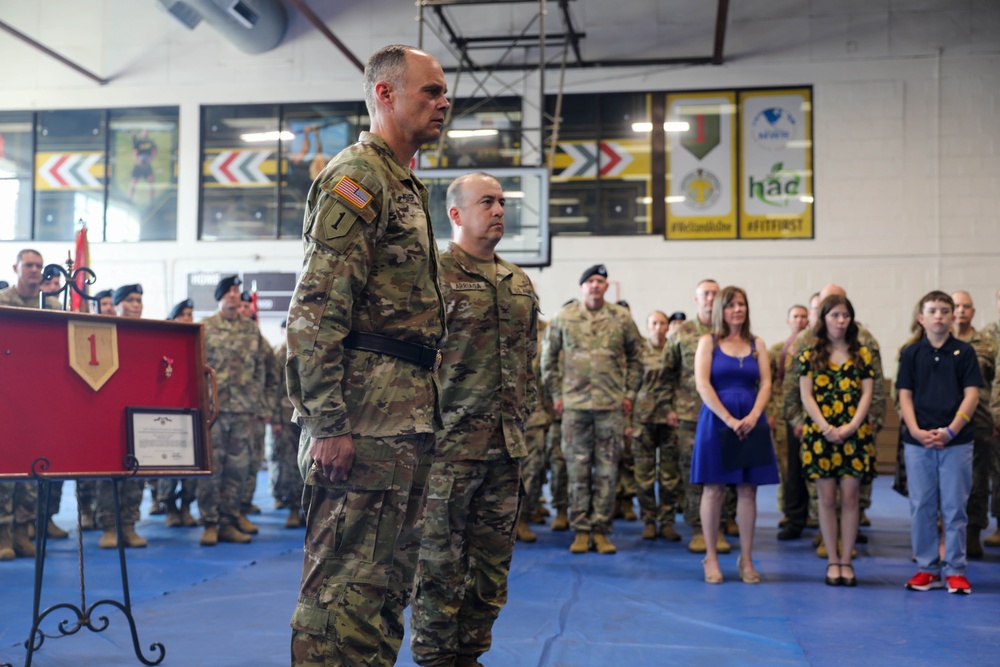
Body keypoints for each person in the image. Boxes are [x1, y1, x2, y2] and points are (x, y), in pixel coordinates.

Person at [285, 44, 449, 667]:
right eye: (430, 91)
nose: (444, 102)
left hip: (404, 421)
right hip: (362, 420)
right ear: (384, 94)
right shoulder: (356, 178)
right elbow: (314, 312)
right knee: (342, 596)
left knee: (383, 593)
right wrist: (327, 424)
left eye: (443, 92)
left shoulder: (406, 184)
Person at [409, 171, 539, 667]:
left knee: (491, 569)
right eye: (488, 201)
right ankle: (437, 658)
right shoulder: (433, 276)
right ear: (456, 214)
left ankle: (470, 654)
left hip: (505, 453)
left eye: (503, 202)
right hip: (447, 451)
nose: (500, 210)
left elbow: (528, 361)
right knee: (439, 565)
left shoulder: (518, 282)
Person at [541, 264, 643, 555]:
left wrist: (630, 394)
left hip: (610, 406)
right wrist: (556, 394)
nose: (595, 286)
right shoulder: (565, 317)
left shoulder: (621, 319)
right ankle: (581, 530)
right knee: (577, 470)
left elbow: (638, 358)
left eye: (600, 281)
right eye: (590, 281)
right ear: (582, 286)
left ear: (607, 287)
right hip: (575, 407)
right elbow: (548, 358)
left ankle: (601, 529)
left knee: (608, 471)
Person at [692, 286, 779, 584]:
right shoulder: (709, 341)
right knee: (714, 489)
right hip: (717, 420)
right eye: (731, 305)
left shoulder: (758, 344)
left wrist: (754, 416)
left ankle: (747, 558)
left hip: (751, 420)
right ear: (720, 311)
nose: (737, 310)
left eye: (741, 304)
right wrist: (729, 419)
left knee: (747, 490)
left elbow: (766, 383)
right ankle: (711, 557)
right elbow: (703, 385)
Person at [898, 291, 981, 594]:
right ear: (921, 318)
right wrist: (917, 430)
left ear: (953, 317)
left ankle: (955, 569)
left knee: (954, 507)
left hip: (956, 443)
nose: (939, 316)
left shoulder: (965, 352)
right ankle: (927, 568)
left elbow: (972, 395)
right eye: (932, 310)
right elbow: (904, 395)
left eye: (945, 311)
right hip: (918, 443)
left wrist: (951, 430)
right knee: (921, 506)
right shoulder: (910, 354)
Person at [798, 295, 876, 586]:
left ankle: (847, 560)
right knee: (827, 500)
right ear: (824, 319)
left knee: (851, 498)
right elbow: (805, 395)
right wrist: (826, 427)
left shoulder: (862, 353)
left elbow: (867, 392)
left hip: (854, 434)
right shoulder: (810, 353)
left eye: (845, 315)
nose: (840, 321)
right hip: (822, 435)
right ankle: (832, 559)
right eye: (834, 316)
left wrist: (853, 425)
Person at [197, 275, 269, 546]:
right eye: (228, 291)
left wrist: (260, 404)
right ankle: (210, 522)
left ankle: (229, 519)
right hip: (212, 412)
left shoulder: (251, 331)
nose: (233, 295)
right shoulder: (204, 327)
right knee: (211, 468)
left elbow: (262, 369)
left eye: (236, 291)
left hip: (243, 411)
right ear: (219, 296)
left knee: (238, 469)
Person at [663, 279, 733, 554]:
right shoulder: (683, 333)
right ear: (696, 299)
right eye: (705, 294)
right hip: (690, 414)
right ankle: (697, 528)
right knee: (693, 473)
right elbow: (667, 373)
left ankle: (720, 528)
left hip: (725, 414)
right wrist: (669, 407)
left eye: (715, 294)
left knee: (723, 472)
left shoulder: (729, 332)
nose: (710, 298)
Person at [0, 249, 61, 560]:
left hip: (38, 403)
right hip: (5, 399)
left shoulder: (51, 305)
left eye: (39, 265)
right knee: (5, 471)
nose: (35, 270)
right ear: (16, 268)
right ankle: (2, 535)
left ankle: (24, 533)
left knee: (34, 470)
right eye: (29, 265)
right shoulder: (2, 302)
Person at [95, 284, 149, 549]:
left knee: (136, 472)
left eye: (139, 300)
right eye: (129, 300)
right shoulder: (103, 334)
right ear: (116, 304)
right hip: (108, 414)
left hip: (139, 413)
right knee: (109, 473)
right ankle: (108, 526)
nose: (136, 304)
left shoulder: (148, 335)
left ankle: (128, 525)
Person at [951, 291, 998, 559]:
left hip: (978, 422)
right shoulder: (938, 342)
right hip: (944, 423)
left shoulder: (988, 345)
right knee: (946, 483)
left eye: (966, 306)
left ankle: (972, 534)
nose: (960, 311)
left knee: (977, 483)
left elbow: (996, 384)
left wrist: (996, 417)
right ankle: (943, 535)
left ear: (973, 311)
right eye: (955, 306)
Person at [633, 310, 683, 541]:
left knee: (669, 475)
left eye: (663, 323)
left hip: (669, 419)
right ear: (647, 326)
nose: (659, 327)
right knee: (644, 474)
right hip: (643, 420)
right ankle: (648, 520)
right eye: (654, 323)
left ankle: (667, 521)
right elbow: (630, 385)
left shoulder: (675, 351)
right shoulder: (639, 352)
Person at [156, 297, 199, 528]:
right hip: (167, 413)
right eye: (183, 315)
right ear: (173, 318)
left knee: (192, 464)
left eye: (190, 315)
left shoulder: (197, 343)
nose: (187, 319)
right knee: (169, 464)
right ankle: (170, 507)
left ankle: (186, 507)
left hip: (192, 411)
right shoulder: (163, 344)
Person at [769, 304, 809, 532]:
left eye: (804, 316)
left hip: (810, 414)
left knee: (810, 468)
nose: (800, 320)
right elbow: (771, 384)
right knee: (788, 468)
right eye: (795, 316)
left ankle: (812, 512)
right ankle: (790, 511)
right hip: (784, 415)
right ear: (788, 321)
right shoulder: (777, 351)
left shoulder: (815, 347)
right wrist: (771, 414)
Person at [269, 320, 304, 528]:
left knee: (313, 466)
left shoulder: (314, 348)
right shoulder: (281, 351)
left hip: (311, 417)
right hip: (286, 416)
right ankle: (292, 508)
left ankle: (308, 509)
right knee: (289, 464)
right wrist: (274, 418)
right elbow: (272, 386)